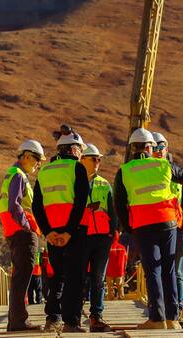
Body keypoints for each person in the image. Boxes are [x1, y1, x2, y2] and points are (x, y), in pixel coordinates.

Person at [114, 128, 183, 329]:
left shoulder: (124, 171)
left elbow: (119, 205)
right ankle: (173, 319)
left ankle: (157, 318)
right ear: (149, 147)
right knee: (169, 269)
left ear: (132, 149)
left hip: (142, 226)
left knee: (152, 269)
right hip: (167, 223)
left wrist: (130, 227)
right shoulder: (164, 165)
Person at [32, 129, 91, 333]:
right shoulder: (78, 168)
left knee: (56, 276)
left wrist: (48, 232)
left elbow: (36, 206)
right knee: (75, 277)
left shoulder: (45, 171)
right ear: (74, 149)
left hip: (52, 234)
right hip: (74, 232)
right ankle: (72, 322)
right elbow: (80, 203)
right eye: (81, 150)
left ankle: (52, 318)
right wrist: (69, 232)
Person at [151, 131, 183, 324]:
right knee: (158, 269)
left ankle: (178, 310)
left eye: (160, 147)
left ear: (166, 149)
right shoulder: (147, 172)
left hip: (178, 229)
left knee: (176, 271)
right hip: (158, 227)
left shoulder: (176, 172)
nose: (157, 151)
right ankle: (161, 309)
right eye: (154, 147)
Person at [0, 139, 45, 331]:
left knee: (19, 276)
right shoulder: (18, 175)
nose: (38, 164)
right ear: (26, 156)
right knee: (22, 277)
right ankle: (19, 321)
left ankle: (15, 320)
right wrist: (27, 227)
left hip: (14, 231)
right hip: (22, 232)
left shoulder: (14, 174)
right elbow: (14, 206)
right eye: (36, 159)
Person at [79, 143, 117, 332]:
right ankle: (75, 315)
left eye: (99, 159)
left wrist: (112, 233)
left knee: (98, 278)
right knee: (79, 277)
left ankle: (96, 315)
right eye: (94, 159)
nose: (97, 162)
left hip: (102, 237)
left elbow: (113, 210)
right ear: (82, 160)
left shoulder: (104, 184)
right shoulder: (75, 183)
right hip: (82, 236)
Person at [106, 233, 128, 300]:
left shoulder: (107, 247)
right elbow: (126, 259)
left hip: (109, 269)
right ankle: (121, 297)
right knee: (120, 286)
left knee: (110, 286)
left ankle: (110, 298)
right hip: (120, 270)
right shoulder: (122, 248)